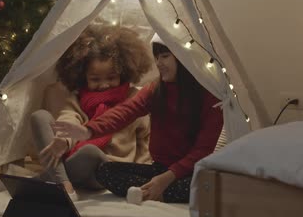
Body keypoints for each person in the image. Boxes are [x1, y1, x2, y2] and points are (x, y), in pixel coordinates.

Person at [53, 34, 223, 203]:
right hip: (159, 168)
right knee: (105, 171)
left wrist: (167, 178)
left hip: (190, 171)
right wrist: (88, 130)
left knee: (208, 185)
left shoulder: (210, 98)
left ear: (183, 58)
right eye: (156, 57)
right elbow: (125, 112)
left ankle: (157, 193)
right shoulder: (155, 89)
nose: (159, 63)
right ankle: (154, 191)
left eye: (164, 56)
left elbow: (203, 150)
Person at [31, 25, 153, 200]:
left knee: (91, 151)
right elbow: (69, 120)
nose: (104, 85)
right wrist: (64, 141)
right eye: (95, 79)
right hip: (74, 162)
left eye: (111, 77)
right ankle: (64, 185)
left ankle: (45, 179)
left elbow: (145, 141)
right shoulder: (78, 99)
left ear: (124, 72)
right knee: (39, 117)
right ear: (82, 76)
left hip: (109, 171)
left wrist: (139, 175)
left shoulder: (134, 99)